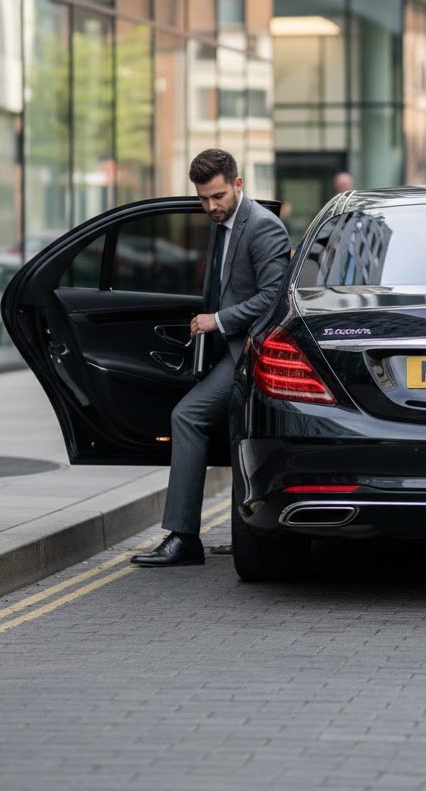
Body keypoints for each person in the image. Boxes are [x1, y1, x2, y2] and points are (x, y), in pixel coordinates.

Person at [131, 149, 291, 568]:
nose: (211, 207)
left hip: (249, 354)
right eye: (203, 199)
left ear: (238, 184)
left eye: (218, 196)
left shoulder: (263, 228)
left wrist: (215, 321)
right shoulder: (222, 224)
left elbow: (271, 300)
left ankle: (184, 538)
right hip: (224, 350)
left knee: (188, 417)